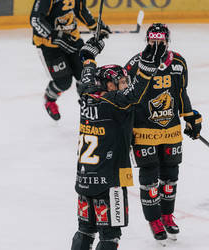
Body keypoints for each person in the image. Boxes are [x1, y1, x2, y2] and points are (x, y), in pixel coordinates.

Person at [71, 35, 167, 250]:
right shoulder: (116, 102)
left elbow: (87, 70)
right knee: (110, 237)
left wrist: (88, 55)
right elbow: (136, 91)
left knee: (85, 230)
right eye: (121, 82)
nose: (125, 85)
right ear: (109, 85)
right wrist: (148, 66)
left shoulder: (87, 94)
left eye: (125, 81)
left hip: (85, 179)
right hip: (110, 182)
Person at [124, 23, 202, 243]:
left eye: (160, 40)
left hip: (170, 131)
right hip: (143, 130)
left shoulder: (178, 62)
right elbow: (126, 99)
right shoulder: (134, 64)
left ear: (167, 41)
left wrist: (190, 117)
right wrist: (125, 129)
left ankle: (167, 215)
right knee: (149, 176)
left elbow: (181, 92)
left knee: (170, 176)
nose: (156, 44)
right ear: (147, 40)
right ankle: (154, 220)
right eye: (152, 40)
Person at [30, 0, 111, 120]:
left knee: (84, 74)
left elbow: (80, 9)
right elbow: (36, 20)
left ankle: (89, 102)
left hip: (71, 38)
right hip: (49, 45)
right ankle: (49, 99)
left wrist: (95, 26)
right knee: (63, 82)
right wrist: (54, 35)